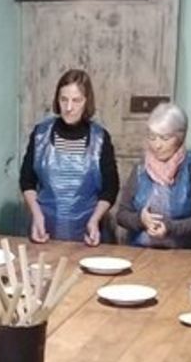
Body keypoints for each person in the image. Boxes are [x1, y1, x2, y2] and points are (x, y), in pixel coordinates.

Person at [20, 69, 119, 245]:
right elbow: (27, 181)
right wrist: (36, 216)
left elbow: (110, 188)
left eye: (76, 100)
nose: (69, 107)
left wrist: (95, 220)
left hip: (88, 233)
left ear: (87, 101)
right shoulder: (40, 134)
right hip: (44, 230)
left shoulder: (100, 138)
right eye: (63, 99)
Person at [115, 102, 191, 250]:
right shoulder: (140, 169)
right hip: (142, 252)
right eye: (152, 137)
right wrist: (140, 220)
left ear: (180, 137)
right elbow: (122, 214)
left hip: (184, 255)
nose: (157, 145)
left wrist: (171, 227)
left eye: (164, 138)